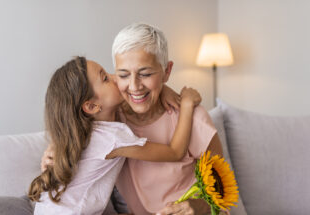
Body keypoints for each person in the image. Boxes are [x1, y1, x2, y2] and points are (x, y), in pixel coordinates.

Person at [41, 23, 223, 215]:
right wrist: (54, 150)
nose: (134, 86)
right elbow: (71, 117)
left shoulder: (193, 119)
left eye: (145, 74)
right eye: (123, 74)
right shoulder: (112, 120)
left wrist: (195, 206)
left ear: (167, 71)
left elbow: (222, 191)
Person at [28, 56, 202, 215]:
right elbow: (175, 152)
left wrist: (163, 89)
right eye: (105, 78)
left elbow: (138, 95)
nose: (115, 77)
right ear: (92, 107)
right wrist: (186, 105)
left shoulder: (86, 131)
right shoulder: (112, 137)